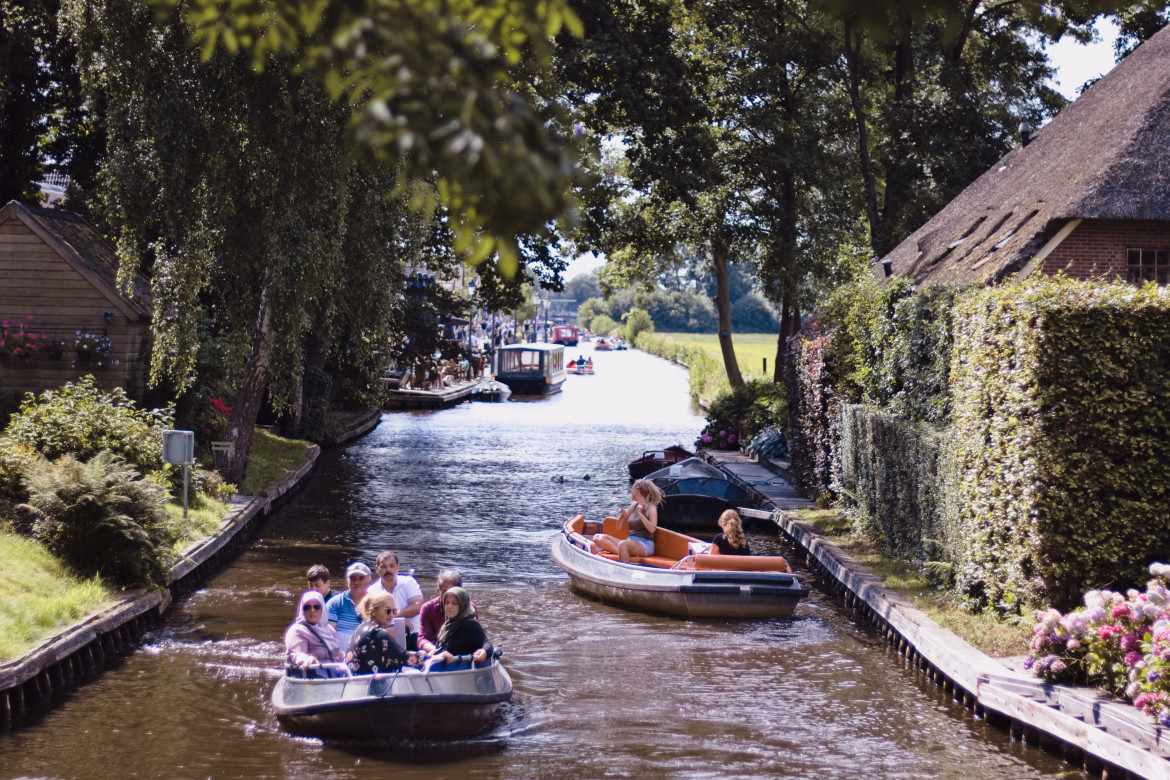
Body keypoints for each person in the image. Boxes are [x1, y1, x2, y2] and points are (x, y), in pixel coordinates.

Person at [345, 592, 419, 675]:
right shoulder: (377, 633)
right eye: (387, 611)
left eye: (394, 611)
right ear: (373, 611)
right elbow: (402, 657)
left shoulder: (361, 627)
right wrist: (429, 657)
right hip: (372, 684)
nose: (391, 615)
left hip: (355, 682)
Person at [593, 479, 664, 563]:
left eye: (632, 489)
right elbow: (619, 526)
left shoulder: (651, 508)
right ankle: (624, 553)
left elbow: (652, 529)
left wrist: (640, 514)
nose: (631, 491)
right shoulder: (633, 505)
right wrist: (623, 516)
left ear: (637, 490)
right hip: (629, 541)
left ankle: (624, 569)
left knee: (623, 544)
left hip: (645, 544)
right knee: (597, 538)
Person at [417, 569, 478, 654]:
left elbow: (477, 638)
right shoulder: (428, 608)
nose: (449, 596)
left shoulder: (470, 608)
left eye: (453, 592)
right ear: (438, 591)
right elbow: (423, 639)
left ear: (460, 592)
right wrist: (435, 650)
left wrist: (482, 652)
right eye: (445, 592)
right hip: (437, 653)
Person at [367, 551, 425, 634]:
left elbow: (418, 607)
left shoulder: (409, 582)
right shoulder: (372, 591)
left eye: (392, 566)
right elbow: (371, 617)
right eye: (383, 567)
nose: (388, 570)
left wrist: (392, 615)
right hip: (386, 635)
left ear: (398, 567)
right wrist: (398, 623)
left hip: (413, 633)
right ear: (377, 568)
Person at [432, 586, 493, 665]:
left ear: (462, 605)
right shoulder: (447, 626)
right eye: (447, 602)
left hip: (460, 671)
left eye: (454, 603)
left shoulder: (470, 625)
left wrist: (484, 651)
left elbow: (486, 644)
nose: (449, 606)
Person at [284, 590, 344, 670]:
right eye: (307, 607)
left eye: (316, 607)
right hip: (314, 674)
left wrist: (349, 656)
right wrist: (306, 659)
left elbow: (338, 654)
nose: (312, 610)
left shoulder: (330, 629)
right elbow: (295, 654)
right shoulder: (297, 631)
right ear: (303, 610)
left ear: (322, 609)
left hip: (335, 674)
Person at [326, 561, 372, 648]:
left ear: (369, 581)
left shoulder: (377, 603)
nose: (356, 582)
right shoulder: (335, 603)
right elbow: (328, 633)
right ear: (347, 581)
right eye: (352, 578)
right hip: (340, 656)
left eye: (361, 578)